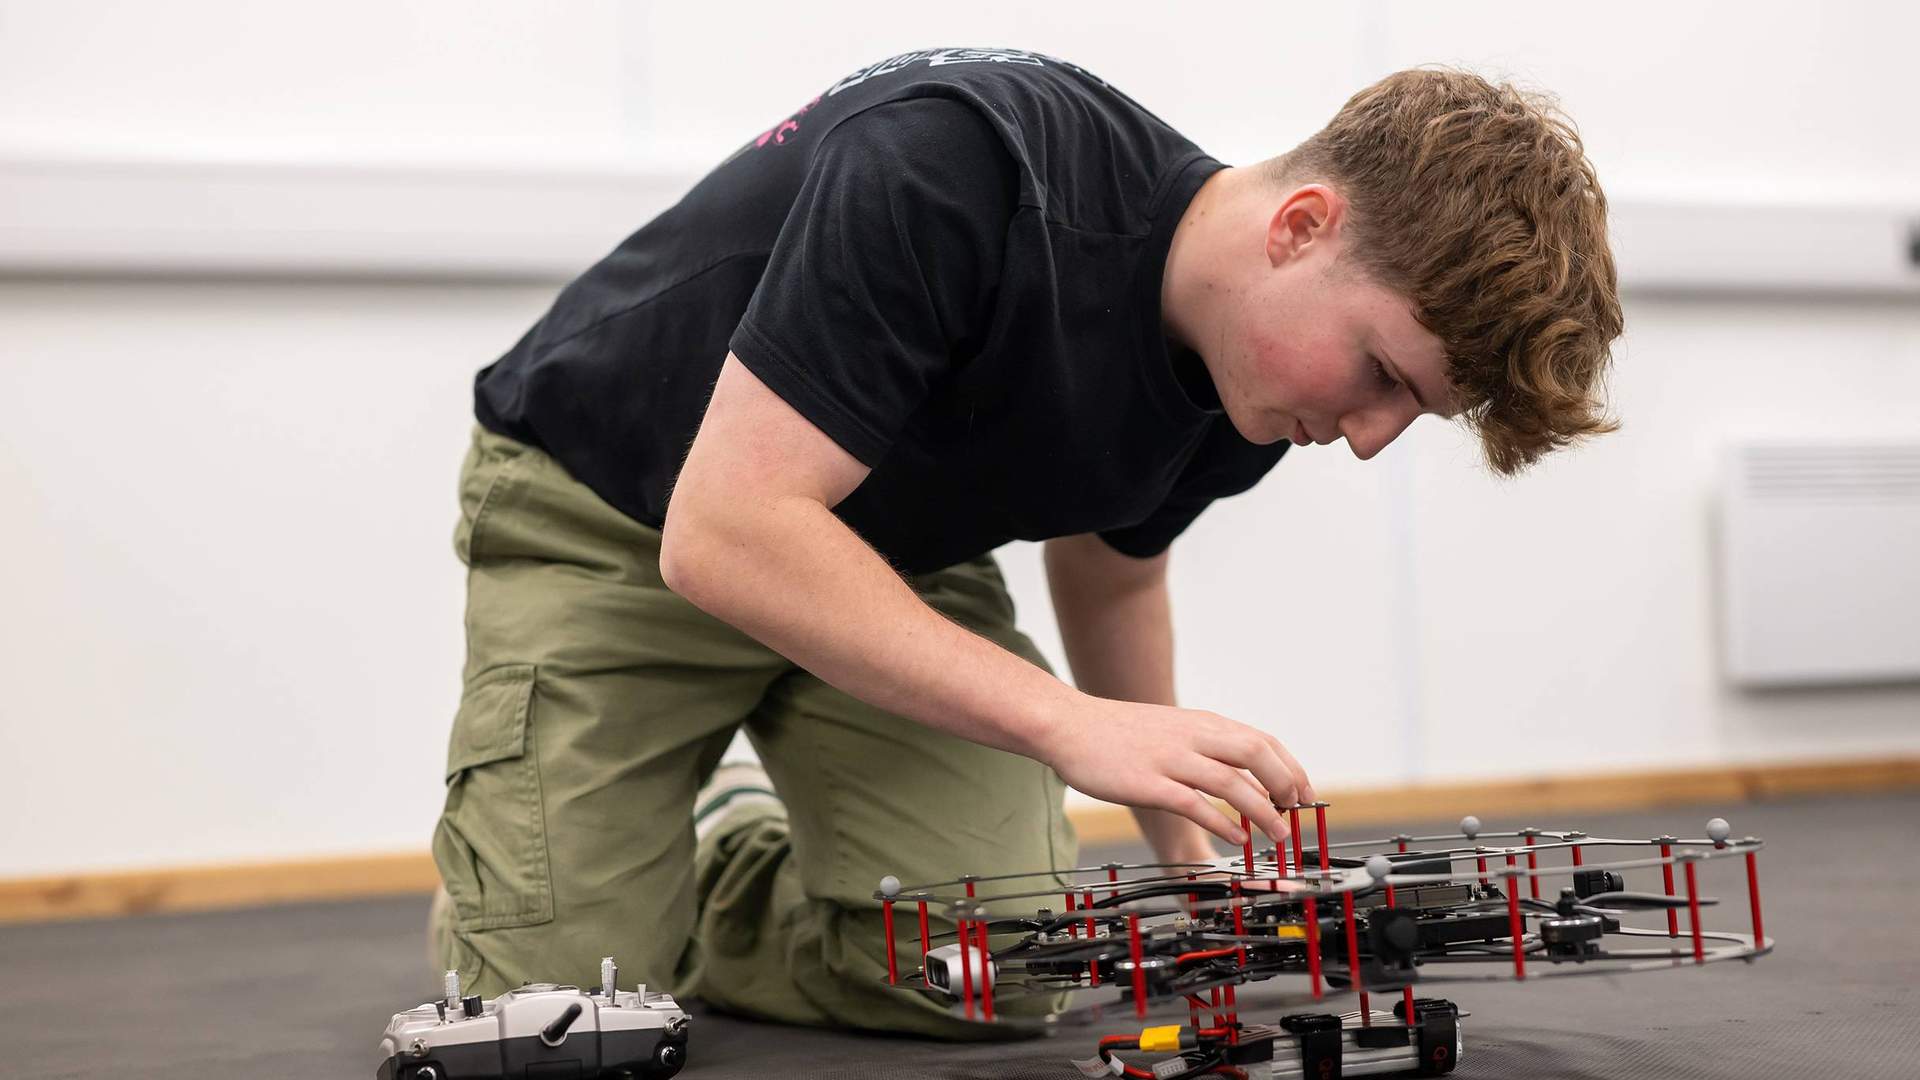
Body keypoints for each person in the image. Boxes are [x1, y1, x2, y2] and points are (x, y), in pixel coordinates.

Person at [428, 46, 1622, 1038]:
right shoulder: (956, 163)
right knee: (559, 1027)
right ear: (1303, 226)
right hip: (621, 518)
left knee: (1005, 970)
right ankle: (635, 868)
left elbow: (1112, 575)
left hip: (887, 556)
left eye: (1411, 413)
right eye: (1381, 376)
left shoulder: (1255, 384)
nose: (1368, 438)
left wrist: (1193, 859)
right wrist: (1066, 725)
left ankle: (720, 859)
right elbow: (726, 533)